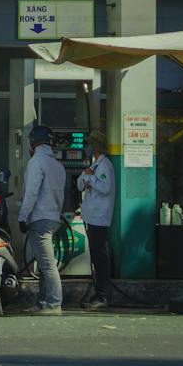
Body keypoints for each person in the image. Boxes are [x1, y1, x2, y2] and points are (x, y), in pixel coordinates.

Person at [19, 123, 67, 315]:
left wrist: (23, 217)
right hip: (54, 218)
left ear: (33, 143)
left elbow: (31, 192)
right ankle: (42, 303)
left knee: (47, 265)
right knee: (43, 261)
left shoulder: (36, 163)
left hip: (40, 219)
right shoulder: (58, 165)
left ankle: (54, 304)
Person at [76, 130, 116, 309]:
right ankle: (98, 292)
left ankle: (103, 296)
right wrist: (86, 176)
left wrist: (90, 178)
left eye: (89, 144)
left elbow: (106, 188)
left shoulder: (105, 165)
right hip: (91, 217)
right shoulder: (94, 165)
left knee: (100, 257)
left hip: (100, 218)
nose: (87, 147)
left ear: (96, 146)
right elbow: (79, 184)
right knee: (95, 257)